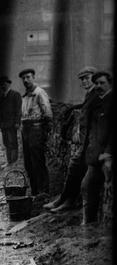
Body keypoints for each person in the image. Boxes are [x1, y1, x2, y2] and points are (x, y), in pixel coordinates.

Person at [44, 66, 99, 212]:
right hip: (85, 140)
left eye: (87, 78)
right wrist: (73, 107)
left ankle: (67, 200)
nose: (85, 81)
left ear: (94, 77)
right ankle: (65, 199)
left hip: (91, 141)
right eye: (82, 79)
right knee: (74, 167)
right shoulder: (90, 94)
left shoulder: (97, 93)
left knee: (75, 166)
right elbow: (86, 107)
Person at [80, 71, 113, 225]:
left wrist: (107, 154)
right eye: (97, 83)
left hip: (106, 155)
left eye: (102, 83)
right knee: (87, 187)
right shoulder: (96, 102)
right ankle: (88, 223)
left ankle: (89, 224)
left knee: (89, 185)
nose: (99, 86)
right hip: (95, 155)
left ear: (109, 83)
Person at [19, 68, 53, 197]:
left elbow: (48, 114)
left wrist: (45, 134)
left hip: (36, 129)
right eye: (23, 78)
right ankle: (34, 191)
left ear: (33, 77)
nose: (26, 80)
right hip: (26, 130)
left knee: (37, 160)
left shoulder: (39, 93)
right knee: (28, 162)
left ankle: (43, 191)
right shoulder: (26, 96)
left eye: (28, 77)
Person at [0, 75, 22, 164]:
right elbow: (0, 112)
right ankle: (9, 161)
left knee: (12, 142)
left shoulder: (15, 95)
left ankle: (14, 162)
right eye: (1, 84)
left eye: (4, 84)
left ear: (8, 84)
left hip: (12, 124)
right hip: (4, 125)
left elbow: (18, 110)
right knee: (6, 143)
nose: (2, 86)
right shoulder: (2, 97)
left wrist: (17, 122)